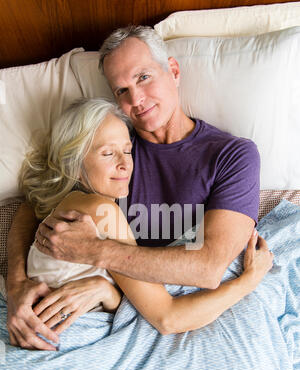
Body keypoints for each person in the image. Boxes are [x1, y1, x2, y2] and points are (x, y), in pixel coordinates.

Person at [7, 26, 262, 350]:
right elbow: (36, 201)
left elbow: (209, 268)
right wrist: (16, 282)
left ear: (173, 70)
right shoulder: (113, 150)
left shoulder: (230, 155)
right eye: (121, 90)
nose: (136, 100)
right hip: (129, 317)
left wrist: (96, 253)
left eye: (143, 78)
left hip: (185, 315)